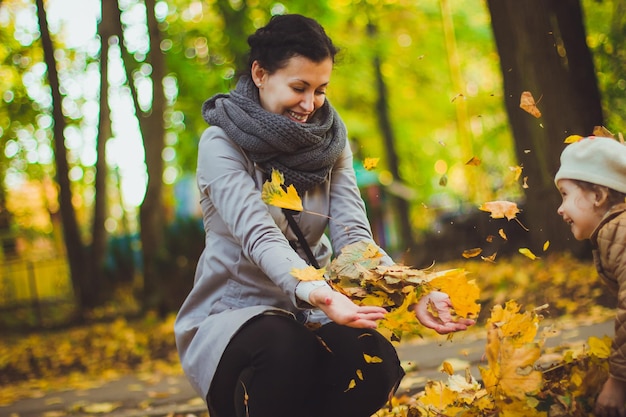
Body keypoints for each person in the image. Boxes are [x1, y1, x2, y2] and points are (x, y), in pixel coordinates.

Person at [174, 14, 473, 417]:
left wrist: (411, 290)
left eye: (319, 90)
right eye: (299, 87)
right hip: (236, 318)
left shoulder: (331, 138)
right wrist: (321, 293)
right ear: (260, 74)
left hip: (316, 309)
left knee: (374, 360)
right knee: (285, 345)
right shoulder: (221, 142)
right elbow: (261, 237)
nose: (310, 104)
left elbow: (353, 236)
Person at [555, 135, 626, 417]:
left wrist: (619, 382)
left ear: (598, 196)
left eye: (565, 195)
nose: (560, 209)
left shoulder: (618, 232)